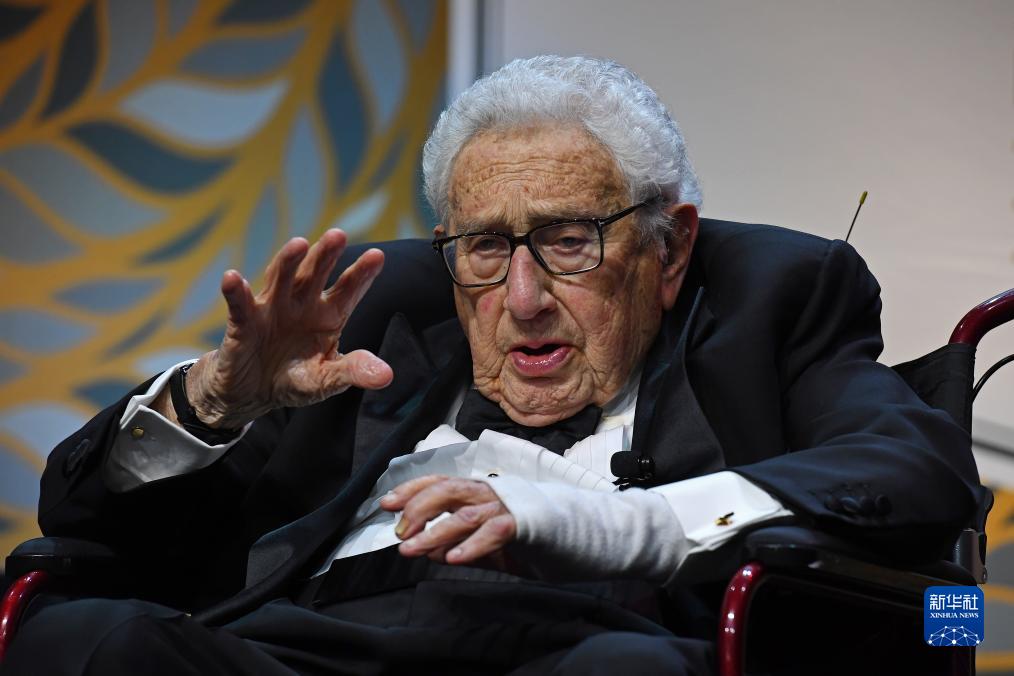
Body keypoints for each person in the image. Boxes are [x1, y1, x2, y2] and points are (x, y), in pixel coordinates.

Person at [4, 56, 981, 675]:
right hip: (310, 647)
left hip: (568, 645)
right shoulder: (380, 327)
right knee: (79, 635)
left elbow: (916, 472)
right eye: (483, 248)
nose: (521, 298)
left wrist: (602, 524)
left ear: (670, 248)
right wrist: (214, 404)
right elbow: (87, 522)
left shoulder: (770, 310)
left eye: (569, 240)